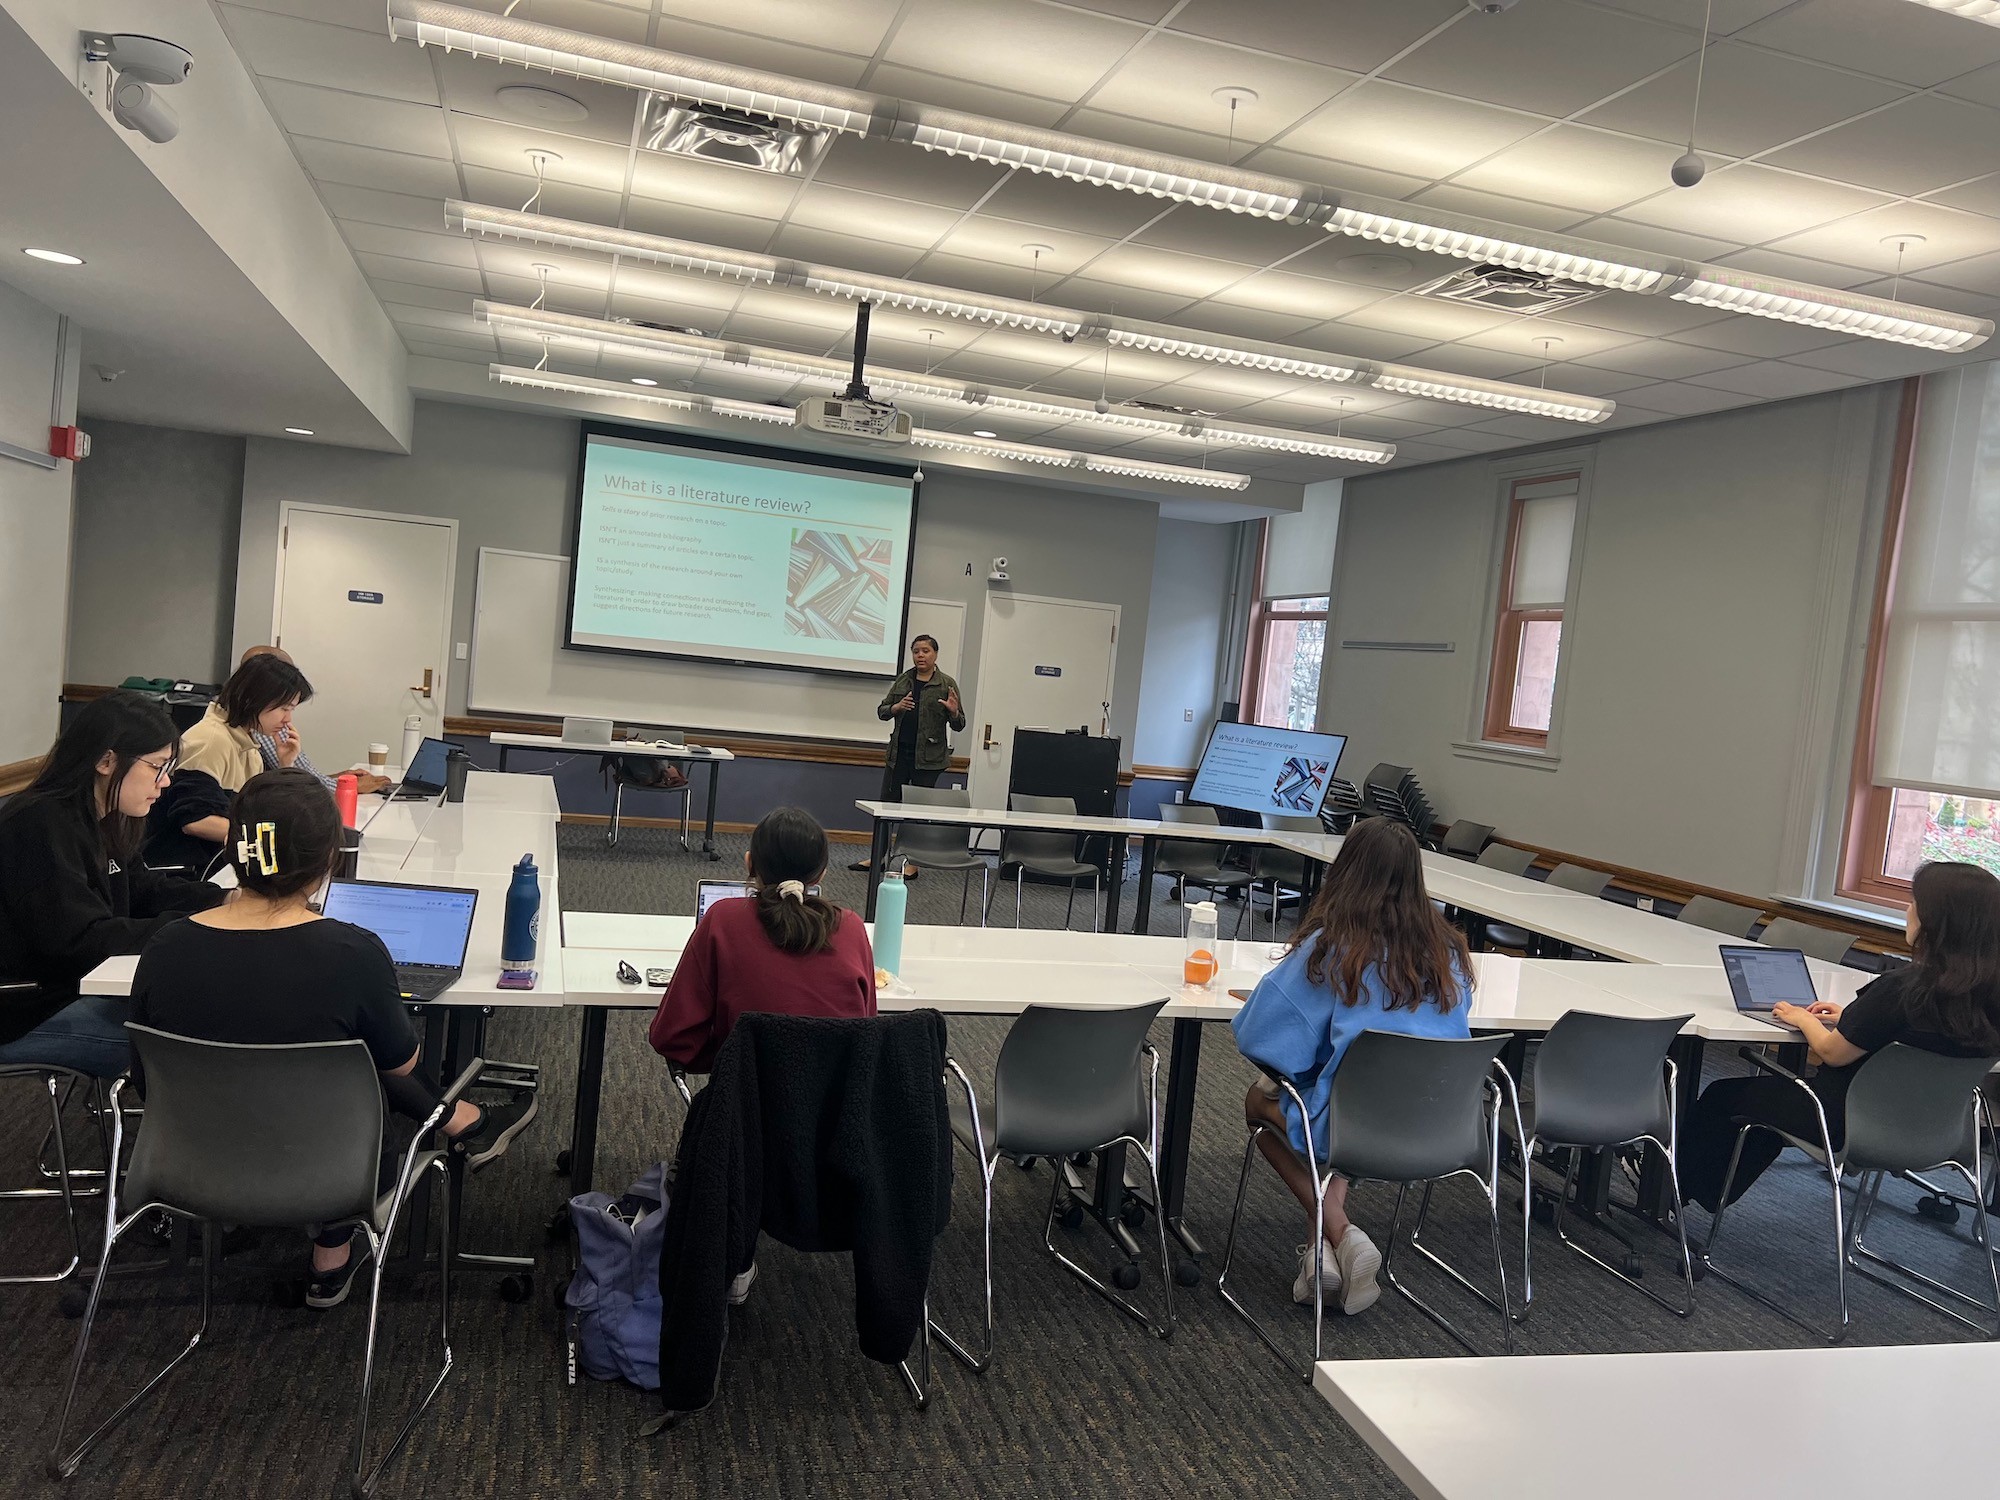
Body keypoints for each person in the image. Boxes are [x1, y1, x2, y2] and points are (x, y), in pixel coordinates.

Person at [131, 768, 534, 1308]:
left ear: (234, 850)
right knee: (369, 1065)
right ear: (326, 864)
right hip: (335, 1174)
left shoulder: (165, 947)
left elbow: (141, 1078)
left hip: (188, 1168)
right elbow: (403, 1065)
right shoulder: (354, 953)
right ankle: (334, 1249)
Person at [1230, 817, 1474, 1315]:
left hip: (1354, 1127)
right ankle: (1319, 1257)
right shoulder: (1449, 953)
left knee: (1262, 1102)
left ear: (1346, 873)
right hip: (1441, 1124)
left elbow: (1258, 1038)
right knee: (1347, 1095)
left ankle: (1341, 1233)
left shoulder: (1331, 947)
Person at [1679, 860, 2000, 1215]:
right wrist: (1852, 1018)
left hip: (1845, 1119)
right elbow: (1920, 1037)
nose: (1908, 909)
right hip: (1938, 1134)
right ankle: (1706, 1190)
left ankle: (1674, 1187)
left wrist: (1801, 1017)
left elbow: (1832, 1053)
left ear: (1938, 921)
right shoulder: (1987, 994)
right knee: (1769, 1103)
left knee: (1726, 1096)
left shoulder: (1902, 988)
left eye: (1915, 902)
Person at [0, 692, 227, 1075]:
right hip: (28, 1009)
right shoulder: (38, 825)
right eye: (156, 767)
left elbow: (142, 890)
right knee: (197, 1034)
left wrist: (225, 900)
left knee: (207, 1008)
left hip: (70, 989)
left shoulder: (103, 816)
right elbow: (81, 942)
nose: (166, 781)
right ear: (106, 761)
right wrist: (196, 928)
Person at [650, 807, 876, 1074]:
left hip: (744, 1106)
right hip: (839, 1109)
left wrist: (734, 1057)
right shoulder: (850, 926)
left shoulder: (724, 919)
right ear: (822, 874)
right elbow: (867, 1030)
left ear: (749, 863)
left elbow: (673, 1036)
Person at [145, 652, 314, 874]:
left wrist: (285, 765)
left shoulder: (246, 742)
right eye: (284, 708)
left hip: (218, 866)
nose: (288, 719)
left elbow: (258, 811)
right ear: (255, 700)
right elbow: (196, 820)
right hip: (186, 873)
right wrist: (265, 840)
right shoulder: (211, 740)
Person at [851, 634, 966, 872]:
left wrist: (954, 713)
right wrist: (896, 707)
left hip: (929, 760)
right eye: (916, 651)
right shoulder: (903, 680)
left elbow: (959, 724)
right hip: (899, 756)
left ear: (935, 654)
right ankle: (878, 858)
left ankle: (910, 863)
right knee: (886, 809)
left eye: (925, 651)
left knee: (916, 812)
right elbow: (882, 711)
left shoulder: (946, 684)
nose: (920, 655)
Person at [238, 645, 390, 795]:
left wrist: (338, 778)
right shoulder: (260, 722)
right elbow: (297, 782)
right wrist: (346, 787)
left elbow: (294, 778)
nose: (287, 718)